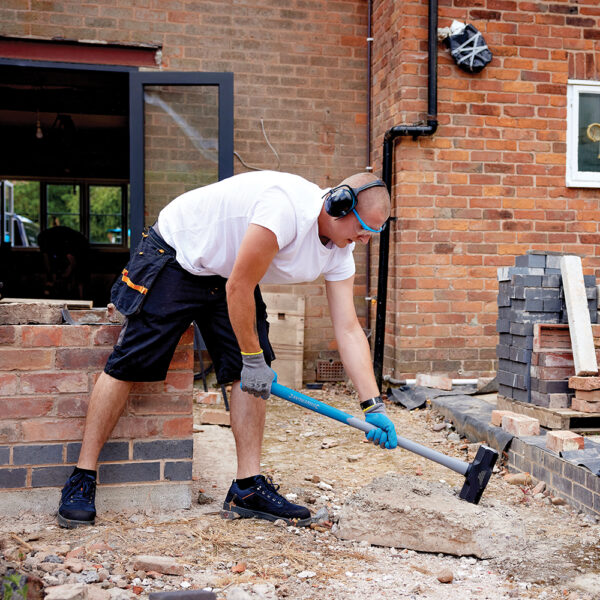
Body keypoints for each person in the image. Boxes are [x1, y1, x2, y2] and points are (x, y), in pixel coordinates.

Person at [57, 170, 398, 529]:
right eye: (364, 229)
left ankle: (246, 488)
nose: (364, 240)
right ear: (339, 205)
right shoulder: (284, 209)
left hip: (228, 271)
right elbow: (240, 285)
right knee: (129, 362)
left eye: (374, 233)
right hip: (180, 253)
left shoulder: (340, 252)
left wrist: (371, 404)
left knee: (250, 371)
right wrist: (250, 359)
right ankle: (82, 476)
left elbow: (347, 328)